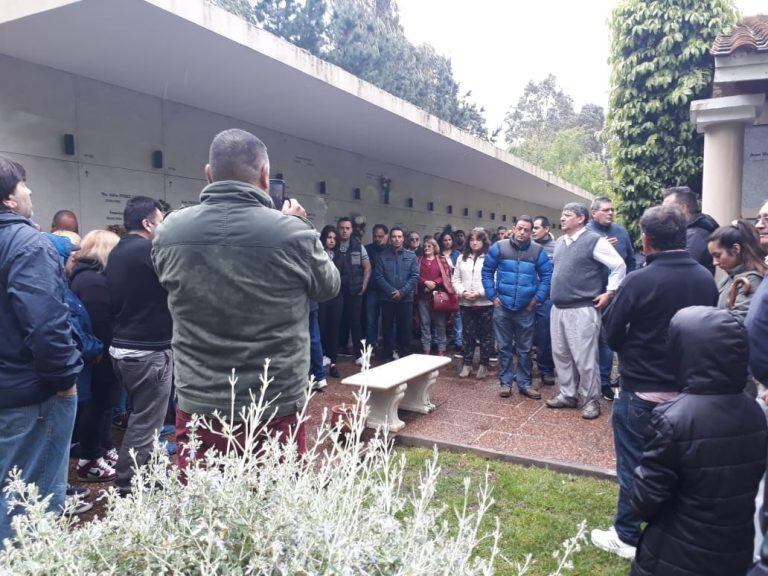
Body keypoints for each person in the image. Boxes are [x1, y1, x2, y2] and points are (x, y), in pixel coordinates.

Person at [153, 129, 340, 472]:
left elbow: (165, 280)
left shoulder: (169, 231)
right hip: (274, 400)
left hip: (199, 397)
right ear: (266, 175)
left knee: (201, 511)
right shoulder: (293, 233)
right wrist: (302, 226)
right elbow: (329, 286)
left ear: (208, 173)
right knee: (272, 510)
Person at [591, 205, 718, 559]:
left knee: (635, 462)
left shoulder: (639, 279)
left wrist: (632, 349)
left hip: (642, 390)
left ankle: (627, 535)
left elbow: (612, 332)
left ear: (646, 241)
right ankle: (675, 531)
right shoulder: (705, 279)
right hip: (689, 392)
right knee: (679, 464)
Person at [630, 307, 767, 576]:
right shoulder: (755, 411)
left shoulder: (672, 418)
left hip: (676, 552)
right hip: (735, 548)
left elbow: (645, 501)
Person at [0, 157, 82, 544]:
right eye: (23, 185)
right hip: (29, 394)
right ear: (9, 201)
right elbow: (47, 323)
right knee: (29, 503)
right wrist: (65, 379)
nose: (29, 190)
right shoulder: (26, 245)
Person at [105, 196, 173, 495]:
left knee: (140, 417)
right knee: (146, 422)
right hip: (148, 351)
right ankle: (129, 485)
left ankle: (146, 470)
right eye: (160, 222)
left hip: (123, 348)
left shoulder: (117, 250)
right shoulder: (150, 251)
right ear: (147, 223)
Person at [545, 203, 626, 419]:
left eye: (567, 215)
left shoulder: (594, 241)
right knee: (561, 355)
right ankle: (568, 394)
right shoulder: (560, 242)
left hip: (582, 309)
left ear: (580, 218)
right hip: (559, 308)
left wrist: (609, 292)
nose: (562, 218)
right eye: (562, 214)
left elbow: (619, 266)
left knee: (585, 358)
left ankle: (591, 400)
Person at [69, 230, 121, 481]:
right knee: (99, 405)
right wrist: (107, 350)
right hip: (101, 354)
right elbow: (101, 321)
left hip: (96, 352)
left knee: (104, 404)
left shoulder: (84, 277)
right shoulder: (94, 282)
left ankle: (103, 447)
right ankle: (89, 458)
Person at [482, 216, 553, 400]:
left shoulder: (537, 251)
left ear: (531, 232)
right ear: (514, 228)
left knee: (525, 349)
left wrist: (536, 299)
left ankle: (524, 383)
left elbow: (547, 276)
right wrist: (492, 296)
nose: (522, 233)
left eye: (527, 230)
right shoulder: (499, 247)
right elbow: (487, 271)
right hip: (502, 306)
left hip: (526, 308)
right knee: (504, 347)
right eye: (520, 228)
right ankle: (506, 383)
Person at [586, 196, 635, 400]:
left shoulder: (621, 232)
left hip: (614, 296)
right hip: (588, 296)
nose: (610, 213)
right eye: (605, 210)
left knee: (607, 340)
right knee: (587, 342)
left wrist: (625, 287)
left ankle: (605, 382)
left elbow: (630, 261)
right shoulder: (585, 233)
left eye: (612, 210)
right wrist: (601, 249)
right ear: (593, 213)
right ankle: (586, 383)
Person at [453, 228, 494, 379]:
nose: (474, 242)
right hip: (466, 303)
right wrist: (463, 292)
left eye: (478, 239)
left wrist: (480, 293)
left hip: (485, 303)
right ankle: (467, 363)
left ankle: (484, 364)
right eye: (471, 239)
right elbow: (455, 279)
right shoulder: (461, 258)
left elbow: (494, 279)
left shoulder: (490, 257)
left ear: (484, 241)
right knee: (467, 335)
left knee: (486, 336)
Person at [374, 227, 419, 362]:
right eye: (394, 236)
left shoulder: (411, 256)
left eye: (399, 236)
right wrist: (391, 291)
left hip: (406, 299)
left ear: (403, 239)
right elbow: (378, 276)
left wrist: (402, 292)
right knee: (387, 328)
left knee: (405, 328)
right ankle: (387, 355)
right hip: (387, 299)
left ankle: (404, 355)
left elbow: (415, 276)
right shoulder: (382, 255)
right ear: (390, 238)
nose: (396, 239)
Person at [709, 220, 767, 320]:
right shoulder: (730, 276)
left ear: (735, 249)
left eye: (718, 256)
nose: (715, 262)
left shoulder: (752, 279)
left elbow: (740, 321)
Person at [336, 217, 371, 363]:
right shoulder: (333, 245)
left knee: (355, 322)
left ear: (351, 230)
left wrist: (364, 285)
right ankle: (336, 350)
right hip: (336, 290)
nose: (344, 231)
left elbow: (367, 267)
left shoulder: (358, 246)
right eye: (342, 228)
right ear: (338, 229)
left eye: (347, 228)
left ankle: (360, 355)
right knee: (337, 321)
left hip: (355, 290)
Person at [662, 186, 719, 274]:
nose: (663, 212)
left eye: (667, 208)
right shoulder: (687, 232)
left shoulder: (695, 235)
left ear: (683, 208)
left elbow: (680, 270)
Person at [416, 238, 453, 355]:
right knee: (425, 323)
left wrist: (434, 283)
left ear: (434, 247)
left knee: (440, 324)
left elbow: (446, 275)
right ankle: (426, 348)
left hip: (438, 297)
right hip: (423, 296)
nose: (426, 248)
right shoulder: (418, 260)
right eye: (425, 246)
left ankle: (441, 349)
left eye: (429, 246)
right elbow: (415, 274)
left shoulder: (442, 260)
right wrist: (425, 282)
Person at [532, 216, 556, 386]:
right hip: (528, 296)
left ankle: (546, 369)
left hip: (547, 297)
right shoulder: (528, 246)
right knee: (525, 335)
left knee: (545, 335)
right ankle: (524, 370)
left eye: (536, 228)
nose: (533, 231)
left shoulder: (556, 247)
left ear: (546, 229)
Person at [318, 225, 344, 378]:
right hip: (321, 297)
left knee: (334, 330)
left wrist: (336, 279)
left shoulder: (341, 256)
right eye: (329, 237)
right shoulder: (318, 254)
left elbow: (346, 275)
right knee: (321, 328)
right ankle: (320, 360)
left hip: (337, 297)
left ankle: (333, 362)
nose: (332, 241)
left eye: (334, 238)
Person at [364, 223, 389, 352]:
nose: (378, 239)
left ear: (386, 236)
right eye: (375, 236)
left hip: (387, 291)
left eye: (380, 236)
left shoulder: (391, 250)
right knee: (371, 320)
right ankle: (371, 346)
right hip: (371, 290)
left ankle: (388, 346)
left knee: (388, 320)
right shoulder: (366, 249)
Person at [438, 230, 462, 350]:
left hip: (455, 287)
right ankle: (440, 342)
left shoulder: (457, 254)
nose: (447, 242)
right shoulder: (438, 254)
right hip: (442, 288)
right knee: (441, 315)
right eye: (445, 240)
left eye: (449, 240)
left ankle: (459, 341)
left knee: (457, 315)